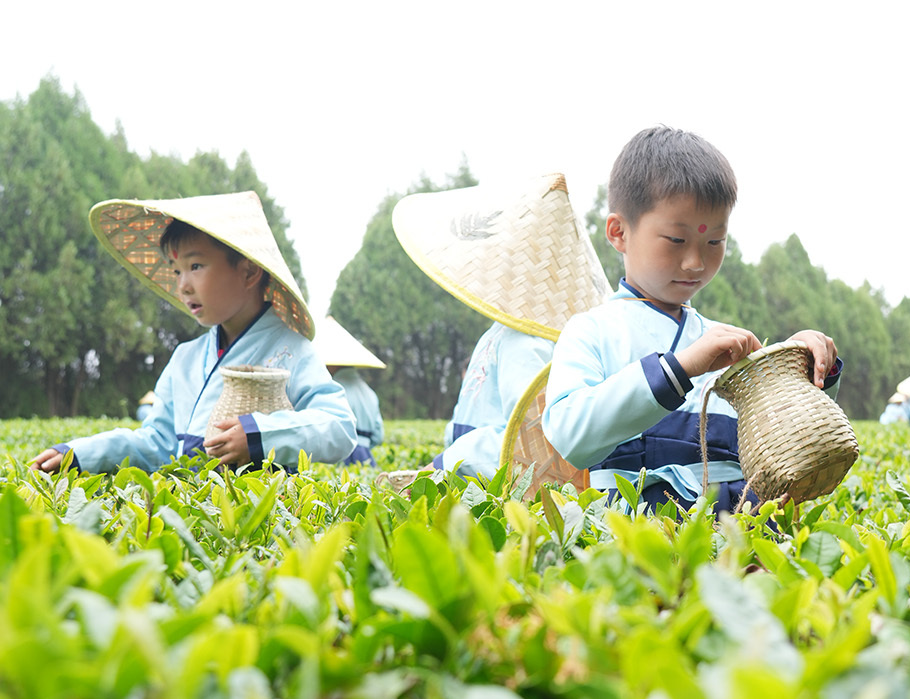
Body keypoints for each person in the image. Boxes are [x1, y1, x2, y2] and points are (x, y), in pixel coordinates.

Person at [541, 126, 840, 513]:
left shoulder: (718, 339)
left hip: (739, 534)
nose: (696, 262)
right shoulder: (592, 331)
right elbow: (570, 434)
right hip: (637, 539)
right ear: (619, 232)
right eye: (677, 240)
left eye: (714, 241)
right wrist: (679, 369)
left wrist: (803, 367)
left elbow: (786, 439)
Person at [32, 191, 356, 476]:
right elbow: (157, 442)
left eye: (196, 266)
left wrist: (259, 436)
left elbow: (339, 428)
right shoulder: (185, 358)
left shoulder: (291, 350)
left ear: (248, 271)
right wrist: (79, 454)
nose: (182, 285)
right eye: (176, 271)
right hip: (192, 512)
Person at [392, 172, 612, 482]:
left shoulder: (525, 342)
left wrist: (451, 459)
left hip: (490, 483)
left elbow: (529, 438)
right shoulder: (503, 332)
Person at [316, 315, 386, 465]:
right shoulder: (370, 393)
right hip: (366, 458)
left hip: (340, 458)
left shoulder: (331, 389)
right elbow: (378, 436)